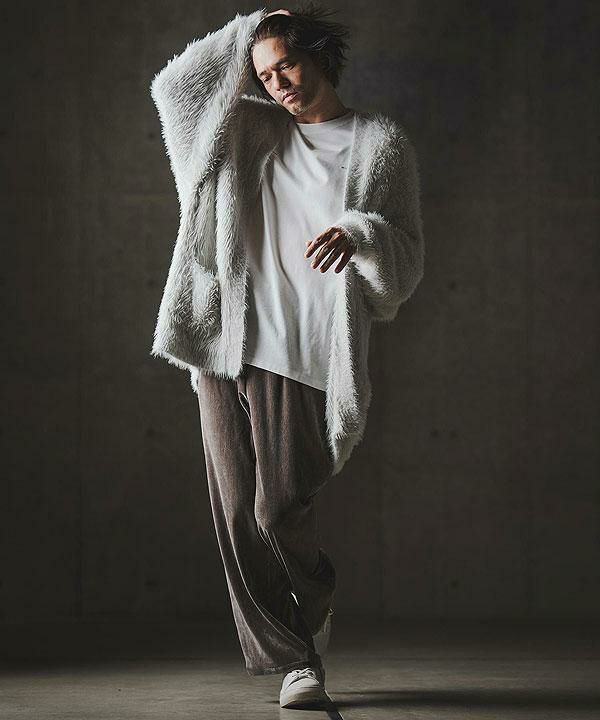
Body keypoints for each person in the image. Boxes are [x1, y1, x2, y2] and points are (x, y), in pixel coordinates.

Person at [149, 2, 425, 710]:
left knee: (275, 510)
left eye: (289, 65)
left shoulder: (379, 142)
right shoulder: (246, 126)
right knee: (237, 515)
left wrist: (360, 234)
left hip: (304, 348)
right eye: (265, 74)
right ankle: (296, 660)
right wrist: (252, 27)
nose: (279, 85)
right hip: (224, 342)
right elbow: (175, 88)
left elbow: (402, 269)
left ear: (320, 56)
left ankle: (314, 597)